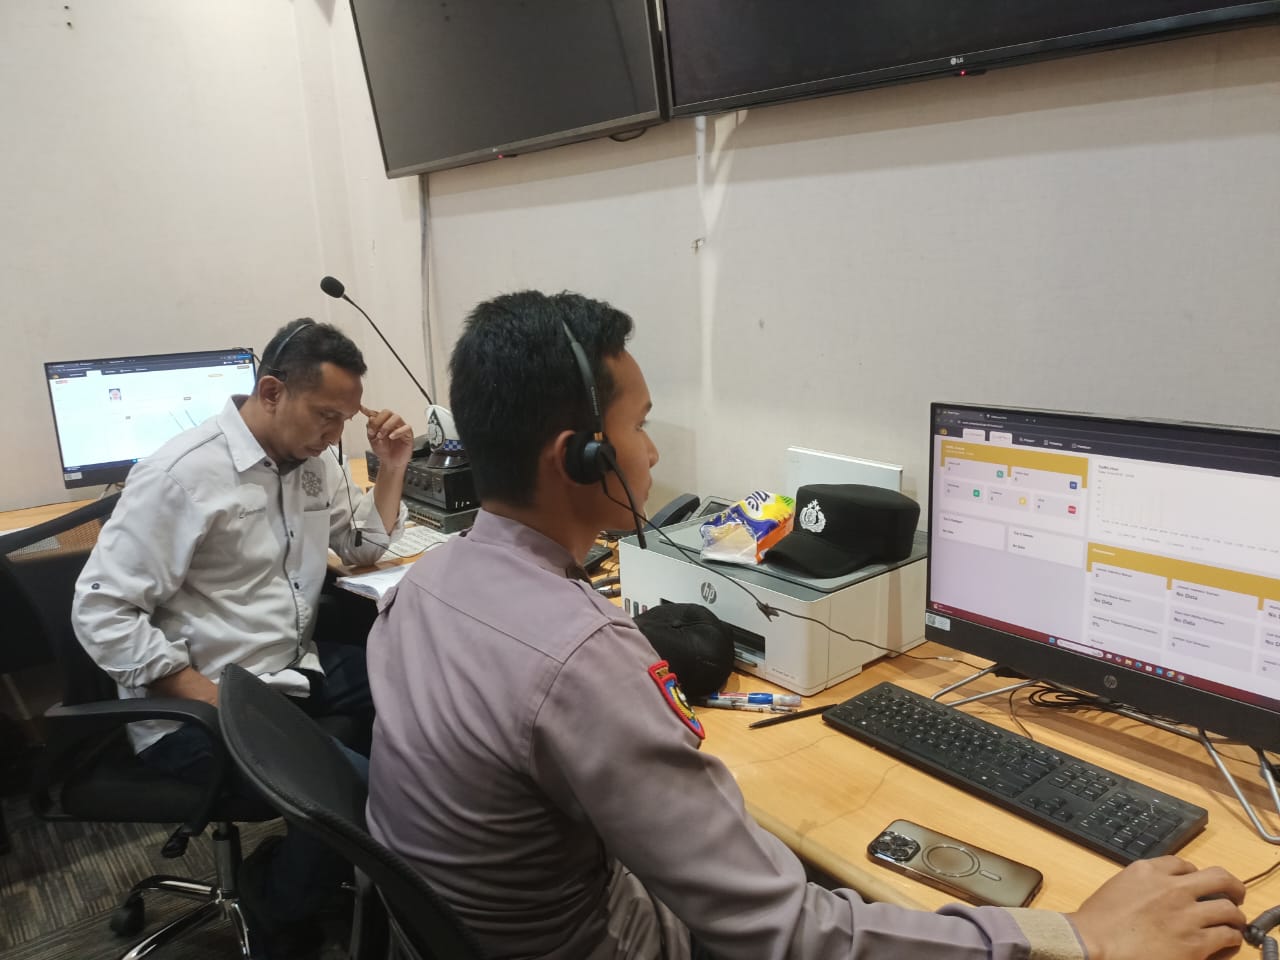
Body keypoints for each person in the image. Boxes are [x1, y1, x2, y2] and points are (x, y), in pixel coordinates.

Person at [363, 291, 1246, 960]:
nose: (653, 452)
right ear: (581, 457)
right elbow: (788, 935)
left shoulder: (422, 587)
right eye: (639, 426)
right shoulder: (584, 662)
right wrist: (1077, 938)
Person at [73, 317, 414, 959]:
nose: (333, 436)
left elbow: (362, 546)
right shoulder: (180, 475)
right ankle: (277, 903)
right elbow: (100, 609)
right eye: (325, 417)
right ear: (272, 392)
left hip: (286, 668)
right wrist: (207, 696)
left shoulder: (313, 464)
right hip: (201, 700)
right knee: (350, 792)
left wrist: (391, 466)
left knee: (415, 692)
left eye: (344, 421)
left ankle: (338, 867)